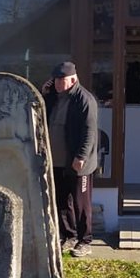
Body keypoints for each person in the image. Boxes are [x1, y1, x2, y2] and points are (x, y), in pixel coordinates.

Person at [42, 60, 99, 257]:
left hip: (78, 161)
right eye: (55, 79)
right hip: (56, 160)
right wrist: (45, 94)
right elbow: (41, 115)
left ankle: (86, 240)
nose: (58, 83)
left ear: (73, 79)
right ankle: (69, 236)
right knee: (61, 201)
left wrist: (81, 156)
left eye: (61, 80)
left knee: (81, 203)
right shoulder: (54, 97)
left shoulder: (84, 99)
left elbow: (89, 131)